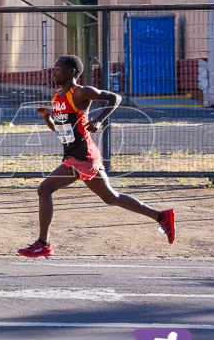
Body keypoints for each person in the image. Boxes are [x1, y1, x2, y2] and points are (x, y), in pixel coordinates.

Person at [18, 54, 175, 258]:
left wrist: (99, 120)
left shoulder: (81, 92)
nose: (53, 72)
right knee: (111, 198)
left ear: (71, 71)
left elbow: (114, 98)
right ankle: (161, 216)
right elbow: (59, 130)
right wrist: (47, 116)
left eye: (58, 68)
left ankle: (43, 244)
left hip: (82, 155)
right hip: (77, 155)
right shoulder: (57, 97)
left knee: (44, 189)